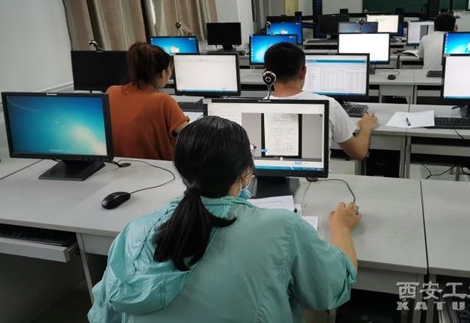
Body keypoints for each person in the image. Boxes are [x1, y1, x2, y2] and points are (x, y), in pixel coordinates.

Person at [88, 116, 361, 322]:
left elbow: (103, 313)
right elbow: (332, 288)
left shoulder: (135, 231)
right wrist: (341, 227)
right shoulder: (283, 227)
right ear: (246, 172)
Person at [264, 42, 378, 160]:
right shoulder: (329, 105)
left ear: (266, 74)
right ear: (303, 72)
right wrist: (366, 127)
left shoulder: (254, 108)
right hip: (313, 173)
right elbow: (359, 153)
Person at [106, 42, 189, 160]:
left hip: (115, 166)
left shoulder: (111, 91)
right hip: (157, 168)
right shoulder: (163, 100)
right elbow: (191, 137)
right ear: (164, 73)